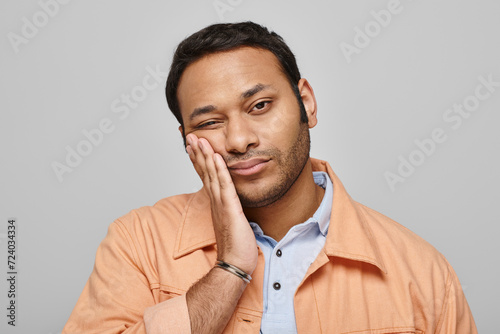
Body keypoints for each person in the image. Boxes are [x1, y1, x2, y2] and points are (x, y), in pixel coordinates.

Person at [63, 21, 477, 334]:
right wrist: (229, 270)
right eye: (209, 122)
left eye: (260, 105)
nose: (239, 140)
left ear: (307, 104)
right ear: (187, 141)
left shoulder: (422, 273)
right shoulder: (137, 242)